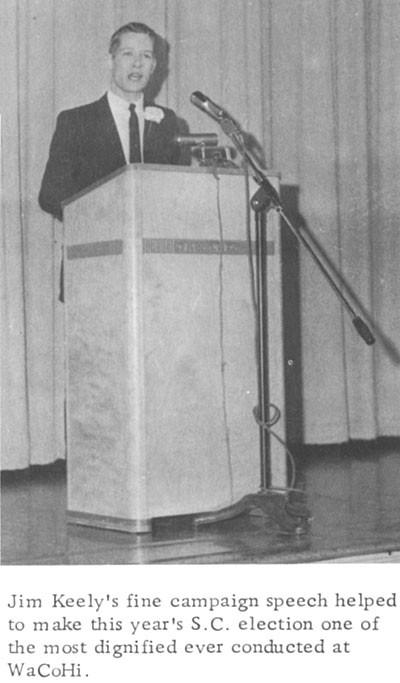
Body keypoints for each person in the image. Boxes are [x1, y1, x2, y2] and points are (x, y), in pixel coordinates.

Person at [39, 22, 181, 221]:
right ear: (110, 61)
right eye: (128, 54)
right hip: (97, 235)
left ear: (154, 66)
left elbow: (175, 191)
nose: (137, 63)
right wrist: (104, 213)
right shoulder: (76, 121)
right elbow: (50, 197)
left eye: (146, 56)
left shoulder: (167, 121)